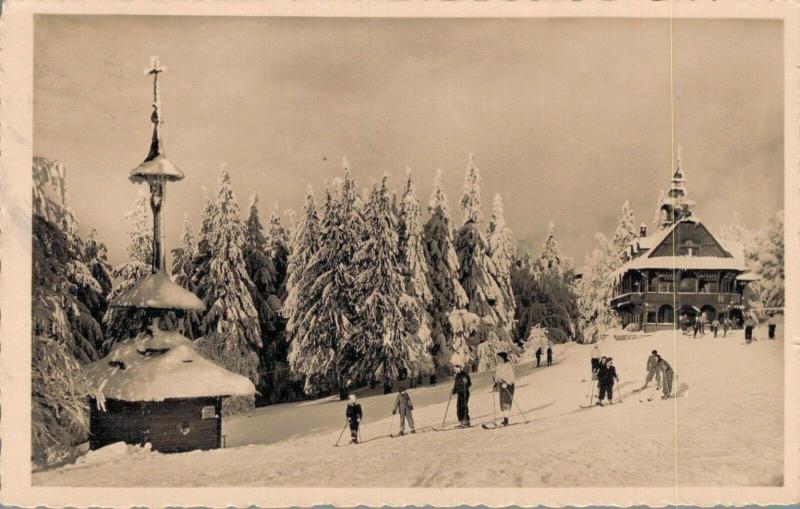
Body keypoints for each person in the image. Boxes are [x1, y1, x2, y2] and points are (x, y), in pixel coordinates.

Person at [494, 351, 516, 425]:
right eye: (497, 358)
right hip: (501, 385)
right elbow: (497, 376)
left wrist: (507, 383)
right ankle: (504, 418)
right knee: (502, 402)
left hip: (508, 385)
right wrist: (496, 383)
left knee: (506, 402)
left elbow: (512, 377)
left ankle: (506, 419)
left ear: (503, 358)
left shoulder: (508, 365)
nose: (498, 359)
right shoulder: (498, 366)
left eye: (499, 358)